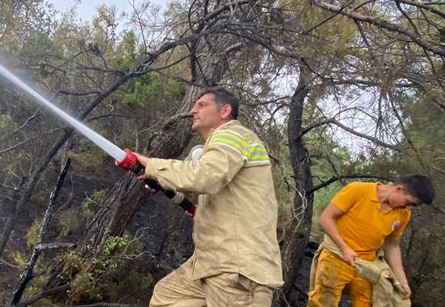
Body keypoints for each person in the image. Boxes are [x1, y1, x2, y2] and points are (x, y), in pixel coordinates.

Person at [134, 88, 283, 306]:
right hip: (211, 263)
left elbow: (205, 176)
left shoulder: (231, 134)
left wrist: (152, 165)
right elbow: (218, 185)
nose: (193, 110)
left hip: (237, 270)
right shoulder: (221, 146)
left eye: (202, 105)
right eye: (195, 105)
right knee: (167, 297)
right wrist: (199, 209)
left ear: (224, 110)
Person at [308, 174, 435, 307]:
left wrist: (402, 280)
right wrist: (345, 248)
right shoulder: (358, 190)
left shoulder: (404, 213)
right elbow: (326, 218)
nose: (408, 207)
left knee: (371, 302)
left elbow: (392, 246)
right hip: (336, 257)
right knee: (323, 302)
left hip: (367, 265)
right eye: (409, 202)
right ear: (399, 189)